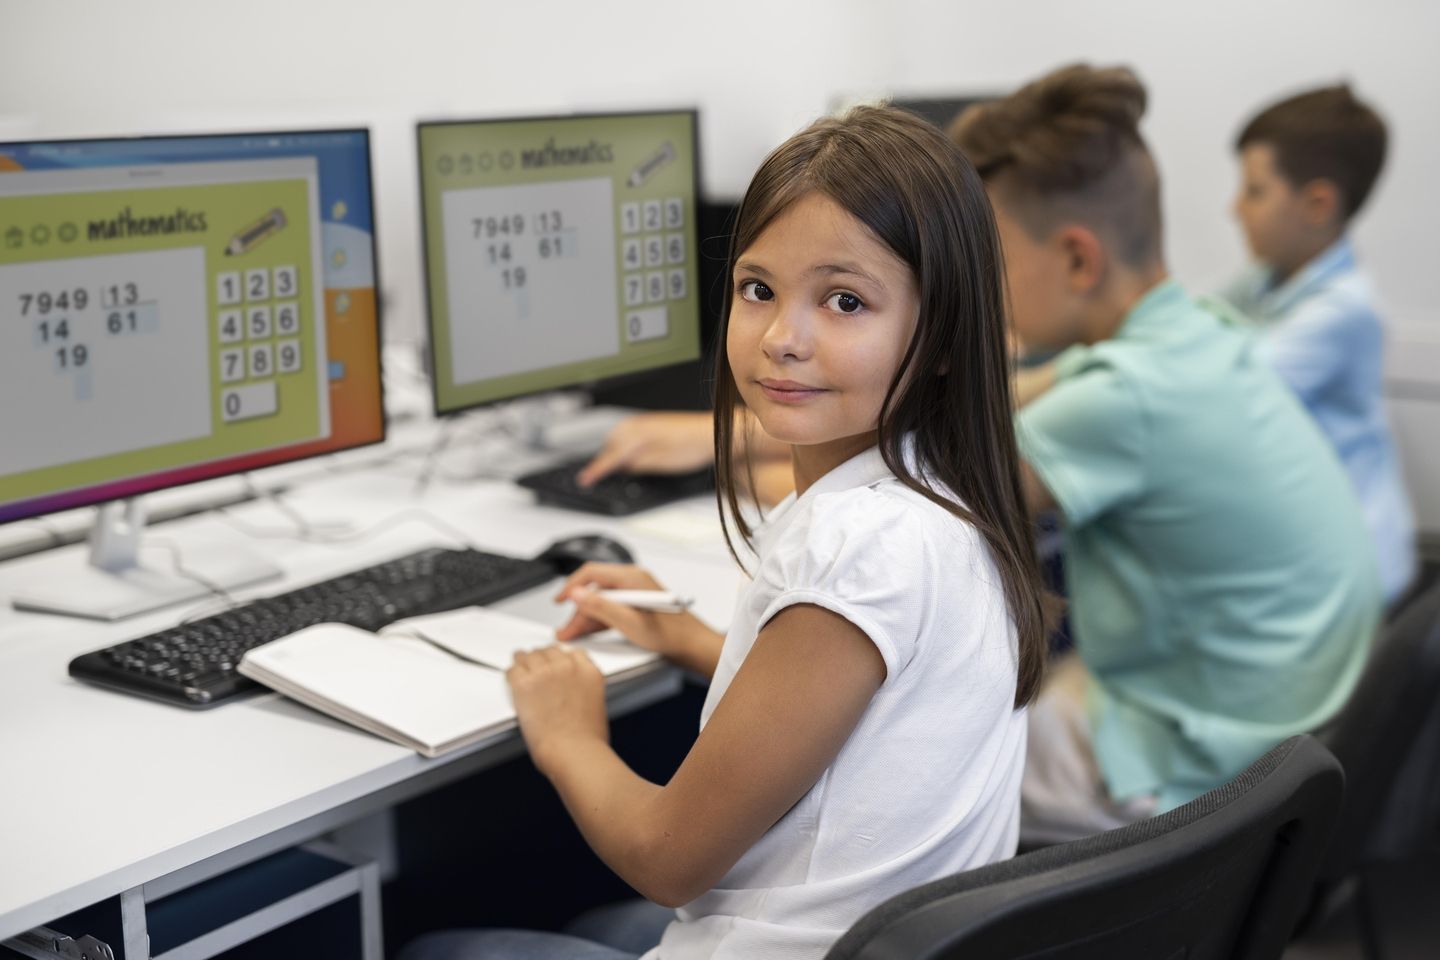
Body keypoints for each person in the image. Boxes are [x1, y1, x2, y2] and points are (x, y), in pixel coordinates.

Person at [399, 105, 1052, 960]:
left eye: (845, 301)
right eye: (758, 289)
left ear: (942, 335)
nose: (783, 337)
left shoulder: (859, 547)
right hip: (882, 939)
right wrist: (692, 638)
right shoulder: (940, 496)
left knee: (439, 951)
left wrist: (568, 736)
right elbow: (860, 700)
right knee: (598, 930)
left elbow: (668, 861)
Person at [948, 64, 1381, 842]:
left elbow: (933, 496)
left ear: (1079, 260)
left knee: (914, 766)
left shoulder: (1129, 399)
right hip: (1290, 728)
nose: (979, 287)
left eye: (991, 261)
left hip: (1205, 765)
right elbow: (1030, 393)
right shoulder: (1197, 330)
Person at [1221, 83, 1416, 603]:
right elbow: (1196, 329)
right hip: (1310, 544)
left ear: (1317, 203)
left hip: (1355, 568)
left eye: (1254, 191)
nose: (1234, 209)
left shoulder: (1345, 310)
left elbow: (1227, 390)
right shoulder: (1265, 278)